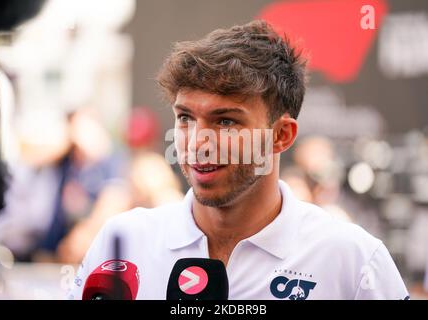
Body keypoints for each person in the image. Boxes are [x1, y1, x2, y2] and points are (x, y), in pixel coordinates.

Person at [70, 20, 409, 299]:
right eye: (185, 117)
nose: (198, 141)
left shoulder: (353, 260)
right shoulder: (123, 241)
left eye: (226, 121)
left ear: (281, 136)